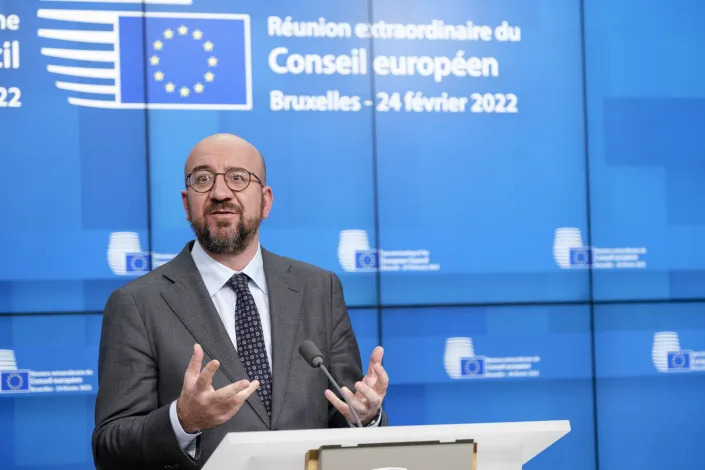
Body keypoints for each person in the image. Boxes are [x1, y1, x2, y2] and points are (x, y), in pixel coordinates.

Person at [92, 134, 389, 469]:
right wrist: (182, 420)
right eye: (203, 179)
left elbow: (345, 413)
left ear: (265, 201)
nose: (220, 193)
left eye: (238, 177)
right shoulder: (137, 304)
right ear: (186, 201)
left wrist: (365, 417)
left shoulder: (320, 288)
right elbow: (110, 446)